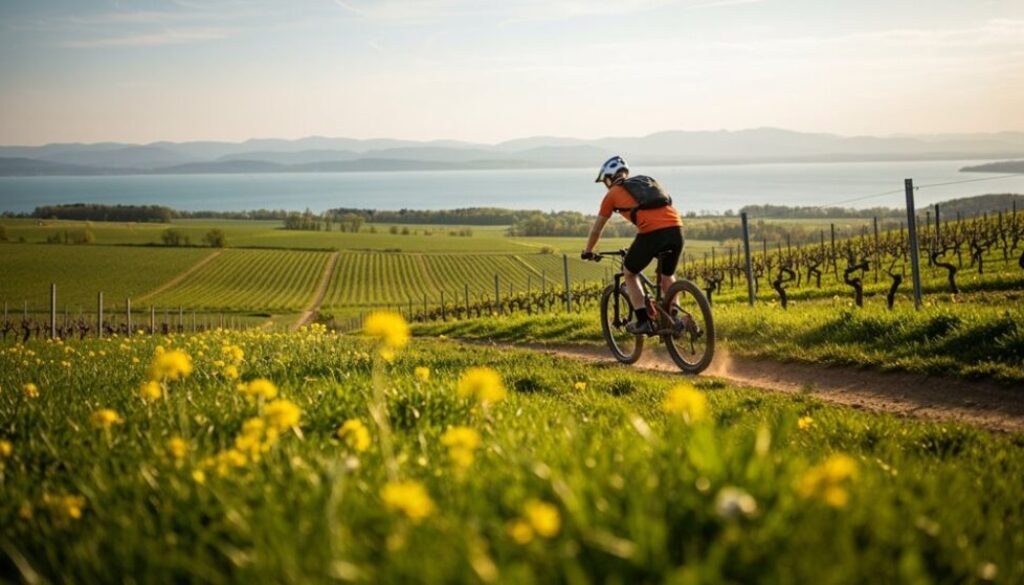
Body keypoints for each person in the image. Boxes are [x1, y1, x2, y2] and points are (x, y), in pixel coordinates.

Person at [581, 155, 684, 335]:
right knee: (667, 275)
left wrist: (588, 251)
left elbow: (597, 229)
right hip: (676, 229)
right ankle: (674, 317)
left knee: (629, 272)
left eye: (605, 181)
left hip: (652, 233)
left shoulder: (612, 194)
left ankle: (643, 321)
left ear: (609, 178)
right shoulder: (649, 182)